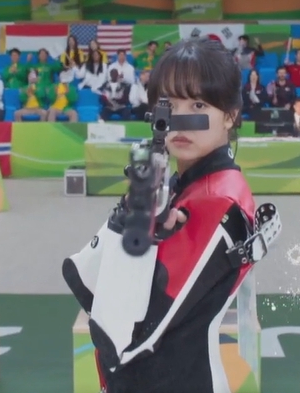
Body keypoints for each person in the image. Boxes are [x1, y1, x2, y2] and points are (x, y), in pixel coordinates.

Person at [63, 38, 278, 393]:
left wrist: (132, 234)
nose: (180, 120)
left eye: (198, 104)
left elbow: (123, 337)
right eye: (168, 105)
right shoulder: (182, 184)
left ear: (230, 115)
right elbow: (85, 280)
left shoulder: (218, 198)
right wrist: (129, 217)